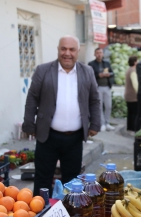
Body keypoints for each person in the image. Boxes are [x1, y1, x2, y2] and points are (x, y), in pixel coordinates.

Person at [23, 36, 101, 196]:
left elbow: (94, 99)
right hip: (47, 137)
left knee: (72, 182)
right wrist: (29, 125)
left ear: (78, 51)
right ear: (58, 50)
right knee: (42, 180)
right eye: (63, 49)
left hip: (74, 139)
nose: (67, 53)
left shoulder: (87, 72)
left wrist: (95, 124)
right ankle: (41, 214)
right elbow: (32, 98)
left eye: (72, 49)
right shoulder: (43, 70)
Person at [88, 47, 115, 131]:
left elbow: (112, 73)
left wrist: (108, 74)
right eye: (97, 53)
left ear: (103, 54)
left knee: (108, 106)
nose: (99, 54)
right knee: (99, 106)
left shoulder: (107, 63)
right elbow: (89, 75)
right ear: (94, 54)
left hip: (107, 87)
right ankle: (102, 123)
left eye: (100, 53)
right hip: (97, 87)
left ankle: (107, 123)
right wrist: (99, 75)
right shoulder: (91, 64)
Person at [124, 55, 139, 132]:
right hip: (133, 96)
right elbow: (135, 84)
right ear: (135, 62)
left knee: (130, 113)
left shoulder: (128, 70)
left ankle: (129, 128)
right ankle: (133, 128)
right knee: (134, 113)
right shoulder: (133, 71)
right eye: (137, 60)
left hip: (128, 94)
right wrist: (139, 93)